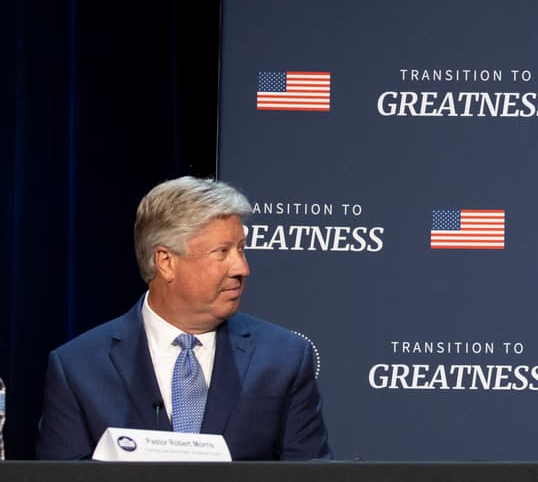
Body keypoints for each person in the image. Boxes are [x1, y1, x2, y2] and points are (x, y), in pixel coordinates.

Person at [36, 177, 332, 460]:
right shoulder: (78, 368)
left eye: (241, 249)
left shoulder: (283, 358)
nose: (242, 268)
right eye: (222, 252)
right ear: (166, 262)